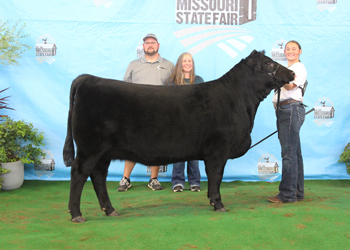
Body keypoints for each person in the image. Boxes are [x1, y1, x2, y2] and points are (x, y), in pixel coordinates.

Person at [118, 33, 174, 192]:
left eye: (153, 42)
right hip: (137, 114)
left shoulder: (169, 65)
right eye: (147, 43)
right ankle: (125, 179)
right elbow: (124, 89)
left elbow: (173, 90)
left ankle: (154, 179)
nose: (150, 45)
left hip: (159, 114)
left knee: (157, 145)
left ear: (158, 45)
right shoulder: (134, 65)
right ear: (143, 47)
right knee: (132, 146)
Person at [268, 40, 307, 203]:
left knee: (289, 153)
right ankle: (297, 191)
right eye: (288, 49)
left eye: (294, 49)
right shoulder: (288, 69)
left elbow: (290, 87)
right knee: (294, 153)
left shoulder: (298, 68)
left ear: (300, 51)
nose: (290, 51)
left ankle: (287, 194)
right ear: (284, 52)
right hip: (287, 110)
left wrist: (278, 77)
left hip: (290, 109)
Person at [167, 52, 204, 192]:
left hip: (195, 124)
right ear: (180, 64)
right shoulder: (172, 82)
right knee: (178, 154)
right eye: (184, 61)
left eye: (190, 61)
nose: (187, 63)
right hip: (177, 123)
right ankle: (177, 182)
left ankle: (195, 182)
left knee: (194, 154)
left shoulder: (199, 80)